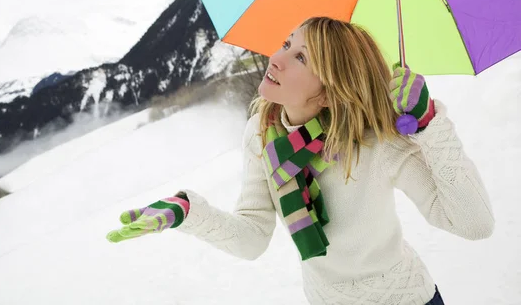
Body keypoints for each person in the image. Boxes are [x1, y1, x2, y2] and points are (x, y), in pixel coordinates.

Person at [105, 16, 494, 304]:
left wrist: (429, 125)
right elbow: (251, 238)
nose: (276, 59)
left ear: (328, 93)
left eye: (301, 57)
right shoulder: (262, 134)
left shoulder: (377, 142)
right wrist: (188, 212)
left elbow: (474, 223)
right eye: (286, 43)